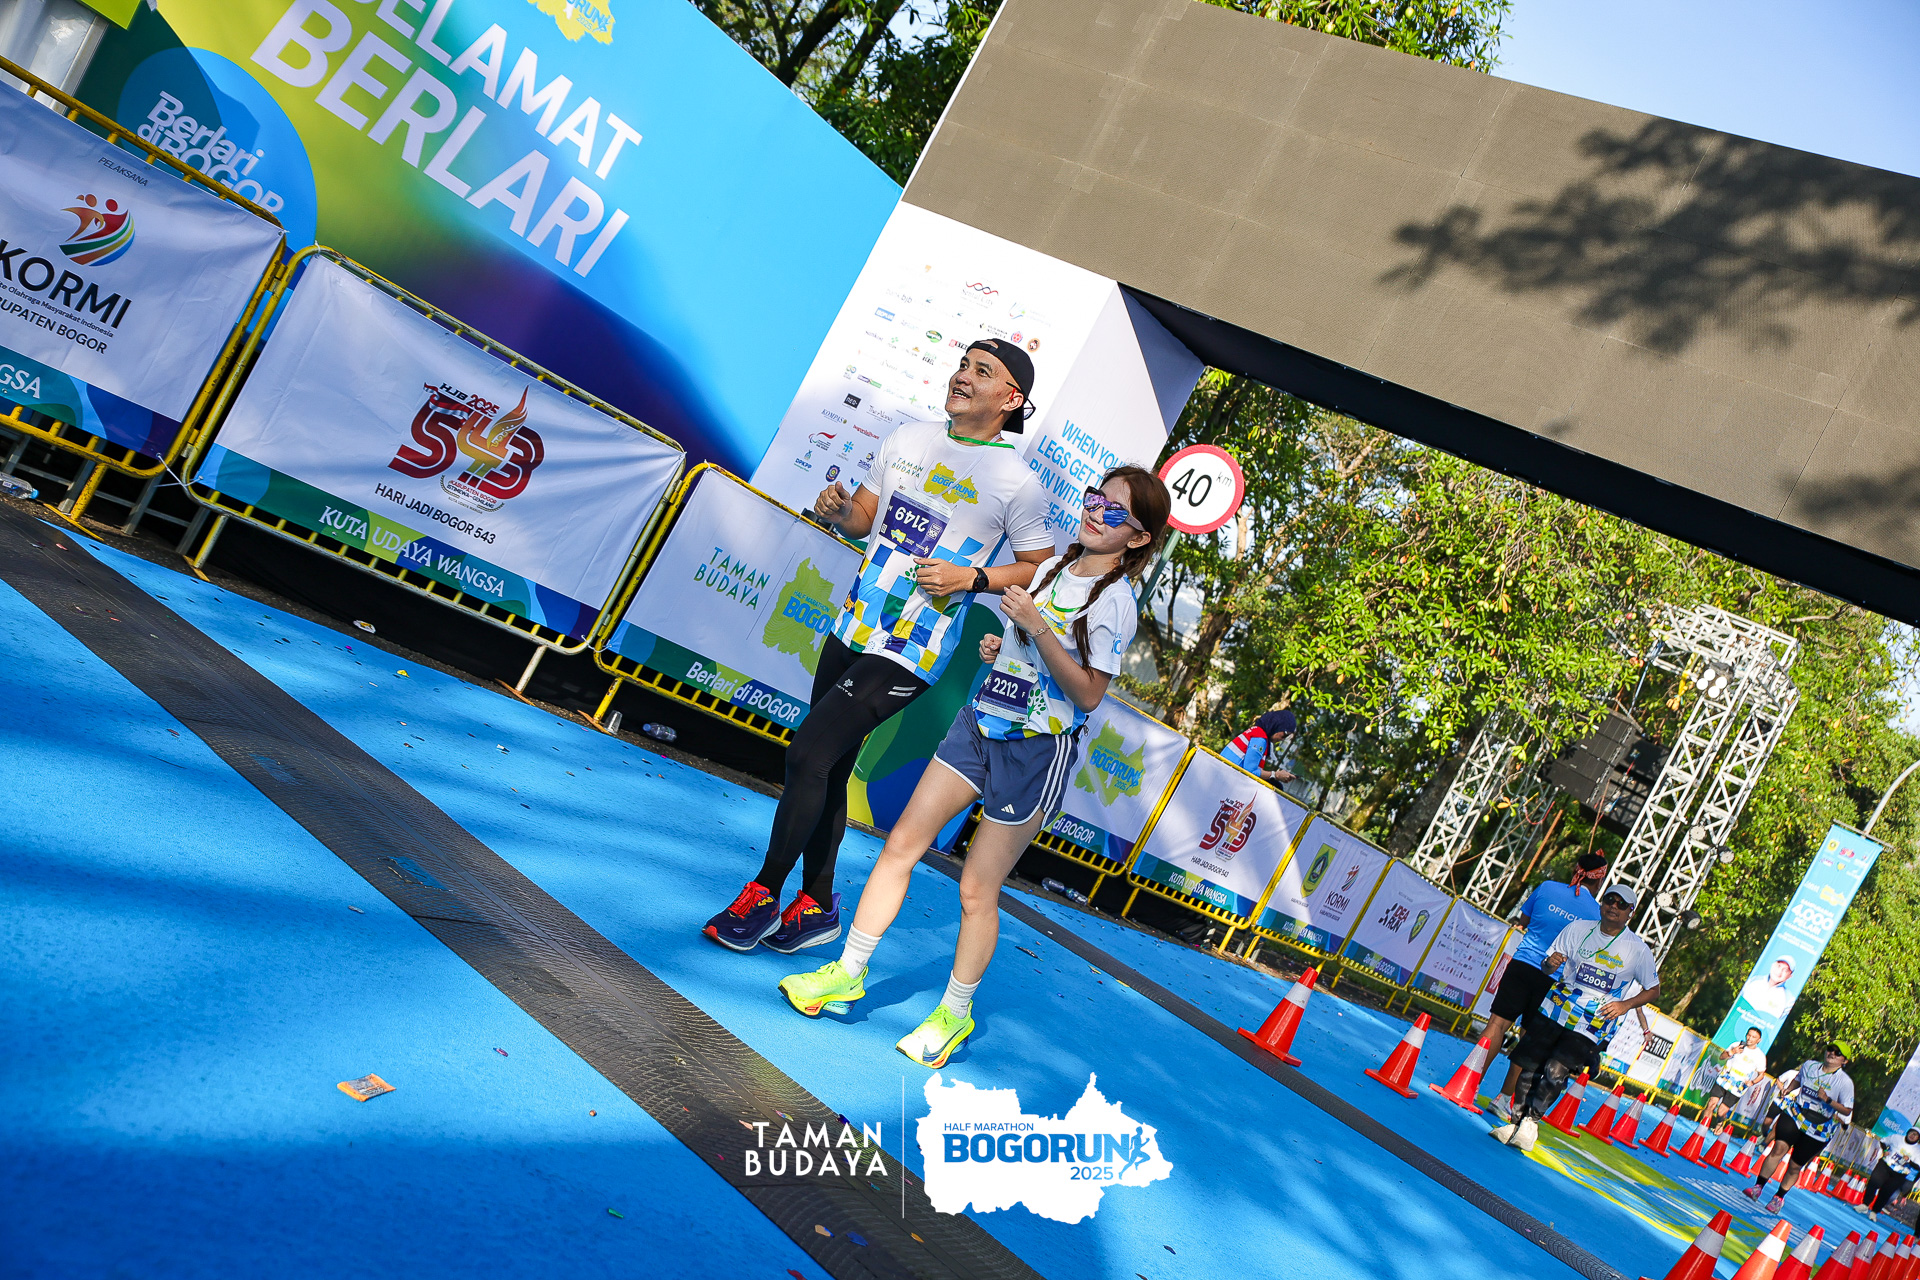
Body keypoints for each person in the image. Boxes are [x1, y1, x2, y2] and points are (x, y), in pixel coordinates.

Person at [774, 466, 1171, 1067]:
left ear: (1138, 538)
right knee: (900, 844)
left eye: (1116, 512)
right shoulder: (1050, 568)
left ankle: (954, 1013)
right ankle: (847, 971)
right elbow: (1028, 649)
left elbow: (1089, 694)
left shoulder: (1116, 602)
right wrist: (1003, 646)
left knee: (976, 890)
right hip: (980, 722)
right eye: (1097, 499)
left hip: (1037, 749)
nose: (1096, 513)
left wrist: (1036, 629)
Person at [702, 339, 1056, 953]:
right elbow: (864, 517)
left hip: (914, 646)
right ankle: (817, 906)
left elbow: (1037, 566)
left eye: (982, 371)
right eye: (963, 364)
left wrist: (971, 578)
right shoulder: (908, 438)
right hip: (855, 621)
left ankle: (763, 893)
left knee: (808, 753)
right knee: (830, 766)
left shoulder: (1017, 482)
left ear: (1010, 398)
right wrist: (838, 511)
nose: (963, 376)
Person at [1489, 884, 1661, 1153]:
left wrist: (1625, 1005)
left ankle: (1531, 1122)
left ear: (1631, 912)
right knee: (1529, 1063)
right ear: (1602, 903)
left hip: (1594, 1017)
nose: (1613, 907)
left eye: (1621, 904)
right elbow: (1546, 967)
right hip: (1558, 1004)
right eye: (1610, 900)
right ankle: (1516, 1122)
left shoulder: (1637, 949)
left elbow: (1653, 989)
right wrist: (1551, 964)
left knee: (1555, 1069)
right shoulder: (1578, 928)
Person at [1484, 853, 1610, 1122]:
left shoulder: (1547, 888)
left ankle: (1469, 1080)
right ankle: (1504, 1099)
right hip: (1554, 980)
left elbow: (1525, 919)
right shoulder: (1595, 915)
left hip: (1522, 963)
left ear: (1576, 870)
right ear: (1600, 881)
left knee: (1496, 1024)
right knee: (1530, 1040)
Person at [1744, 1043, 1855, 1214]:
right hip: (1796, 1114)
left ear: (1844, 1061)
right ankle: (1757, 1187)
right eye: (1830, 1049)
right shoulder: (1810, 1065)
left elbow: (1847, 1110)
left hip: (1819, 1127)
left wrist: (1827, 1100)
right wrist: (1789, 1089)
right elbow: (1798, 1079)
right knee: (1778, 1149)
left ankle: (1779, 1197)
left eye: (1837, 1053)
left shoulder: (1845, 1082)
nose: (1832, 1053)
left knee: (1795, 1166)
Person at [1703, 1027, 1769, 1130]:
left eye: (1753, 1037)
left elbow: (1761, 1074)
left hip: (1738, 1086)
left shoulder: (1760, 1056)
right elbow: (1722, 1057)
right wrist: (1732, 1052)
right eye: (1749, 1035)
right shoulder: (1736, 1045)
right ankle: (1702, 1128)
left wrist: (1752, 1082)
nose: (1750, 1038)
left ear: (1758, 1040)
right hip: (1724, 1079)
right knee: (1711, 1103)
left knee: (1721, 1111)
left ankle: (1720, 1123)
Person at [1858, 1127, 1920, 1221]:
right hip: (1885, 1164)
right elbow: (1883, 1141)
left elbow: (1918, 1167)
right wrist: (1885, 1150)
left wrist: (1909, 1161)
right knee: (1873, 1183)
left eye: (1915, 1135)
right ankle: (1865, 1204)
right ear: (1908, 1133)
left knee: (1886, 1192)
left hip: (1900, 1174)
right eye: (1912, 1133)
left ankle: (1874, 1212)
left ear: (1918, 1138)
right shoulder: (1896, 1137)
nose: (1912, 1136)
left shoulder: (1917, 1150)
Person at [1222, 703, 1297, 781]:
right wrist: (1276, 775)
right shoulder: (1259, 739)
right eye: (1285, 735)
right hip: (1226, 777)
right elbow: (1249, 771)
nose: (1283, 739)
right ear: (1277, 726)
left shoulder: (1256, 732)